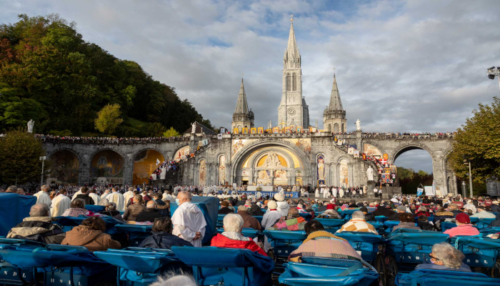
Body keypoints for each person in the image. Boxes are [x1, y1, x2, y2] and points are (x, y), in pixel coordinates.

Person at [289, 220, 361, 262]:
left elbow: (291, 258)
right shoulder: (343, 242)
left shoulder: (306, 245)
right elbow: (360, 261)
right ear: (323, 229)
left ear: (307, 233)